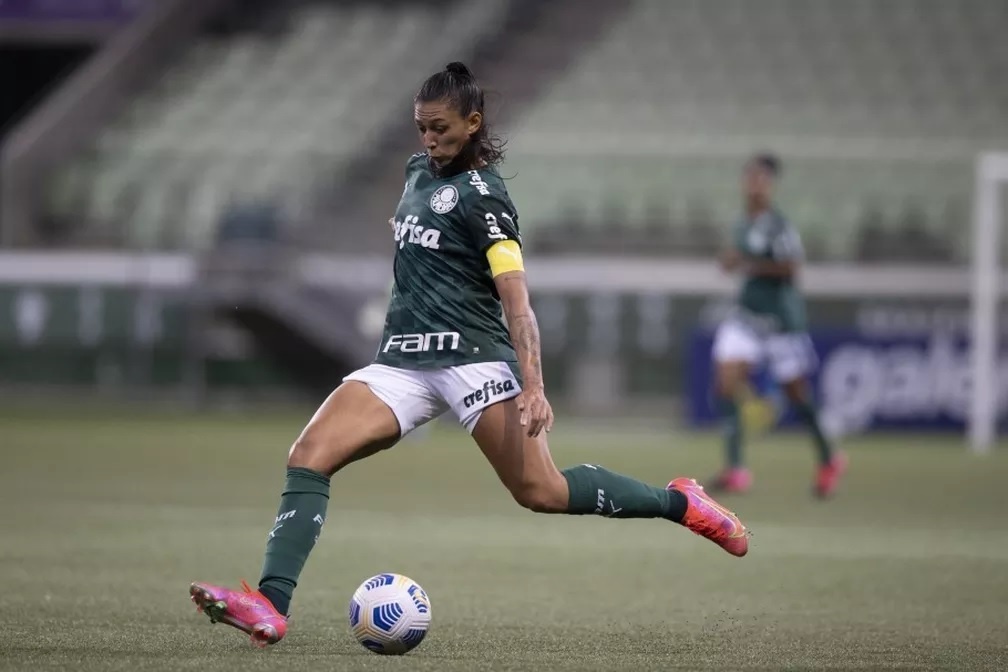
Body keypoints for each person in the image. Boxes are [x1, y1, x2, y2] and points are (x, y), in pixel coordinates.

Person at [188, 62, 749, 648]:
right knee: (308, 455)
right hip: (402, 362)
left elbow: (516, 298)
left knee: (542, 492)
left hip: (473, 359)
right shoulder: (416, 173)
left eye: (440, 128)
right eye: (421, 128)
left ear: (472, 122)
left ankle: (680, 503)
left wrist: (534, 384)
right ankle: (270, 605)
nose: (429, 139)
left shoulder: (486, 198)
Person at [709, 153, 846, 497]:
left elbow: (791, 267)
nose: (755, 186)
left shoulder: (778, 225)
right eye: (750, 178)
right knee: (725, 382)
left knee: (796, 394)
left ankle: (828, 457)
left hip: (780, 322)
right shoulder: (743, 222)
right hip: (747, 317)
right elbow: (739, 260)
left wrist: (748, 263)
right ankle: (736, 468)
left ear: (770, 186)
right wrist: (732, 262)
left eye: (761, 180)